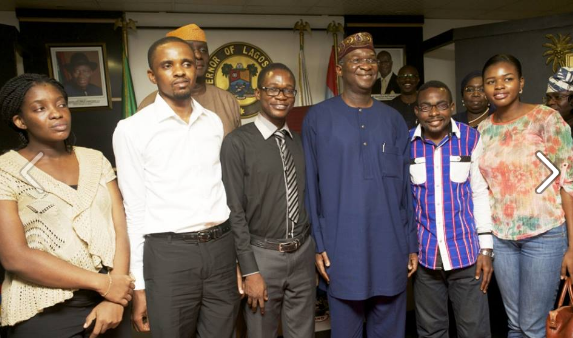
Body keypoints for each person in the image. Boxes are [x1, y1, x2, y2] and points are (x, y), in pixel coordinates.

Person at [113, 36, 240, 337]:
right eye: (167, 65)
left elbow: (221, 188)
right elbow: (134, 209)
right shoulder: (132, 129)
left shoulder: (212, 122)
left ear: (196, 68)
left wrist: (234, 259)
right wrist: (140, 286)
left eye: (186, 63)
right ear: (152, 75)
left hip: (221, 248)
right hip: (169, 255)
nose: (180, 71)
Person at [302, 32, 418, 338]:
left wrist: (410, 244)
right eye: (356, 60)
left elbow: (405, 190)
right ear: (340, 70)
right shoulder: (318, 118)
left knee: (390, 329)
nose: (366, 65)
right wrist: (319, 243)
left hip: (390, 245)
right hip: (342, 247)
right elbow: (311, 189)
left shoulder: (393, 120)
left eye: (370, 59)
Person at [0, 73, 134, 337]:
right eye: (40, 108)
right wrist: (105, 284)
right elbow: (14, 256)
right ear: (20, 121)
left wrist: (114, 298)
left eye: (61, 104)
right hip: (44, 309)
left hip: (110, 305)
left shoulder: (95, 159)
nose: (56, 114)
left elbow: (120, 229)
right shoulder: (7, 170)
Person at [479, 54, 573, 338]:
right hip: (502, 239)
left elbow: (568, 182)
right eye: (491, 81)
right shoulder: (483, 130)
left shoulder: (546, 118)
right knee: (516, 325)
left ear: (521, 83)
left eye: (507, 79)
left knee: (532, 326)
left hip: (544, 235)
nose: (499, 86)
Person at [221, 63, 315, 338]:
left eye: (288, 90)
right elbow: (234, 211)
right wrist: (249, 270)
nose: (281, 96)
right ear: (258, 93)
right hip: (262, 257)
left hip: (302, 254)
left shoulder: (300, 141)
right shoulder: (237, 143)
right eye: (273, 89)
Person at [410, 80, 493, 338]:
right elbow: (404, 201)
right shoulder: (406, 144)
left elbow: (479, 194)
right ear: (416, 111)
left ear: (452, 107)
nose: (434, 113)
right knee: (431, 330)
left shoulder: (471, 138)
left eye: (441, 105)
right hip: (425, 256)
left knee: (474, 330)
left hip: (467, 255)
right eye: (426, 107)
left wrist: (487, 249)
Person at [137, 23, 241, 136]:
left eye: (203, 50)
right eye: (190, 49)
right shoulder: (149, 104)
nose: (198, 55)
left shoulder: (227, 100)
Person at [387, 65, 420, 129]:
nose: (407, 79)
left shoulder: (425, 104)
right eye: (403, 76)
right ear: (397, 80)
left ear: (418, 80)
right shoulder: (390, 107)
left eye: (411, 76)